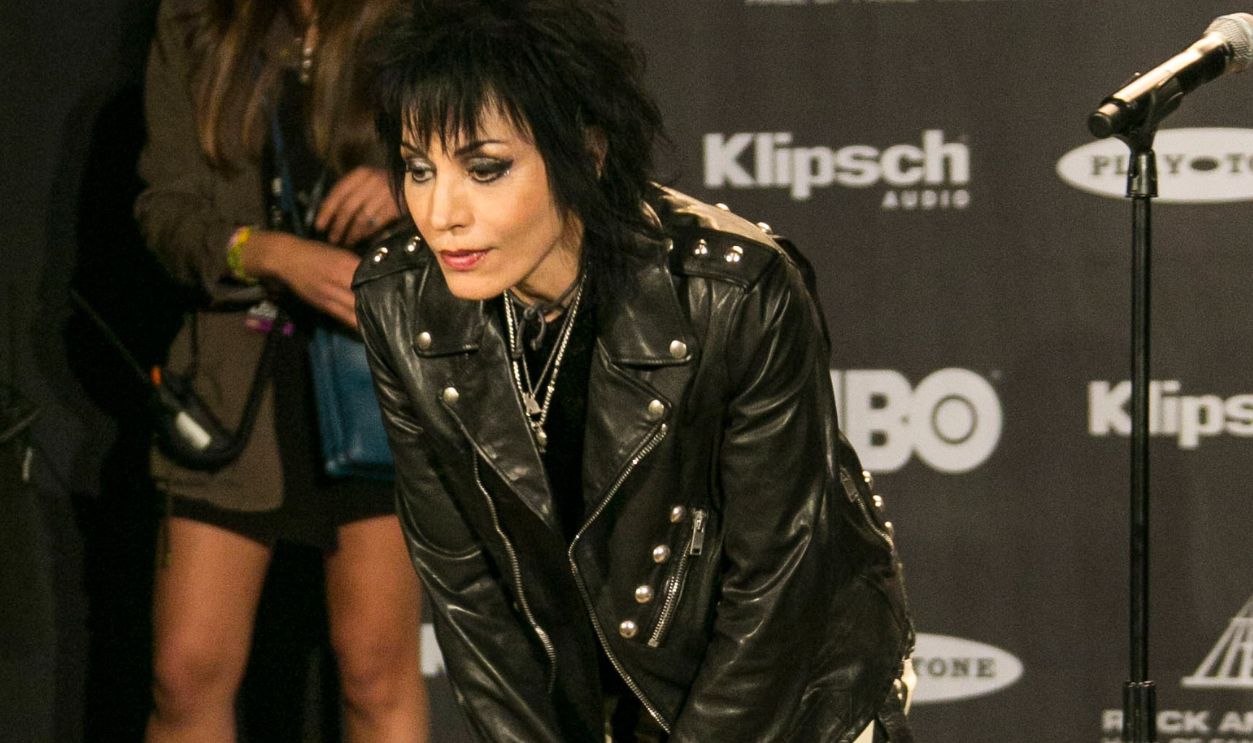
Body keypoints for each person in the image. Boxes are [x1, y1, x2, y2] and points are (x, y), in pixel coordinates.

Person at [356, 0, 914, 741]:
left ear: (586, 154)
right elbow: (471, 596)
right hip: (606, 708)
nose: (441, 210)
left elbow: (775, 588)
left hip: (795, 696)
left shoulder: (736, 292)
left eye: (485, 169)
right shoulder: (402, 302)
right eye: (419, 169)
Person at [133, 0, 428, 740]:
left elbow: (509, 164)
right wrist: (266, 253)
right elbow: (165, 209)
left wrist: (412, 182)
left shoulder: (422, 20)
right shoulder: (198, 19)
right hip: (232, 392)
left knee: (373, 665)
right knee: (185, 669)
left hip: (376, 378)